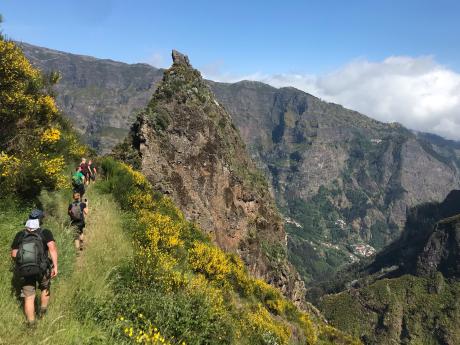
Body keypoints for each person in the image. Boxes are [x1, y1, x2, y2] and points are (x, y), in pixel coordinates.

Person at [11, 209, 58, 327]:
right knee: (45, 288)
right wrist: (55, 266)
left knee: (29, 297)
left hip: (26, 270)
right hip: (43, 268)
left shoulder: (20, 234)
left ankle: (31, 324)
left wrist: (23, 264)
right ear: (40, 220)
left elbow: (14, 254)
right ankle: (42, 313)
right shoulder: (45, 232)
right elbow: (52, 248)